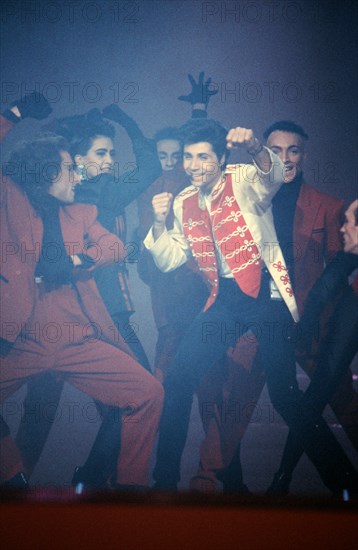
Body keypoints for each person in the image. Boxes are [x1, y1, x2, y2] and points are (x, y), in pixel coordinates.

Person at [144, 118, 356, 493]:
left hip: (267, 298)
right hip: (225, 300)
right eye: (189, 158)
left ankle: (345, 482)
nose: (194, 165)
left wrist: (257, 146)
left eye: (203, 157)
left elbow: (273, 174)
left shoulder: (242, 177)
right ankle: (164, 482)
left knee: (284, 396)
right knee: (178, 380)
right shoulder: (184, 200)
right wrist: (159, 224)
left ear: (221, 157)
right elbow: (168, 259)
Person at [0, 101, 163, 488]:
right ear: (46, 173)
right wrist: (15, 113)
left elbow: (115, 248)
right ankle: (12, 476)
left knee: (149, 393)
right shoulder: (12, 201)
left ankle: (127, 493)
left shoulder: (85, 210)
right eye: (70, 168)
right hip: (20, 336)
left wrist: (79, 257)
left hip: (77, 336)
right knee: (37, 419)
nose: (76, 176)